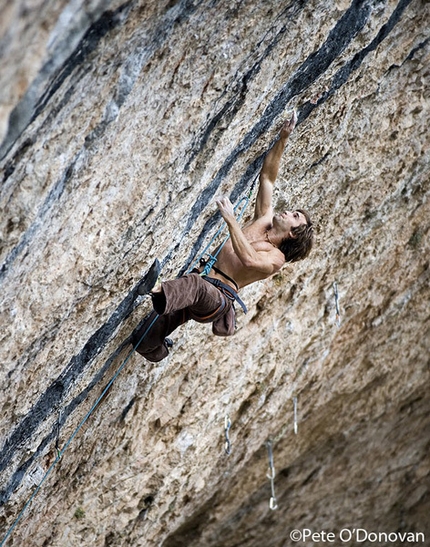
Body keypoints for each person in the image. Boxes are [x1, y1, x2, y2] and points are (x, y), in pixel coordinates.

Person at [131, 111, 314, 361]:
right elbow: (268, 178)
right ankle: (160, 349)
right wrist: (283, 137)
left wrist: (231, 221)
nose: (288, 211)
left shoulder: (275, 259)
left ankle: (152, 288)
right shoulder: (264, 219)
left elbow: (249, 260)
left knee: (194, 287)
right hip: (200, 279)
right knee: (145, 338)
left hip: (217, 298)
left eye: (294, 216)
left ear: (293, 234)